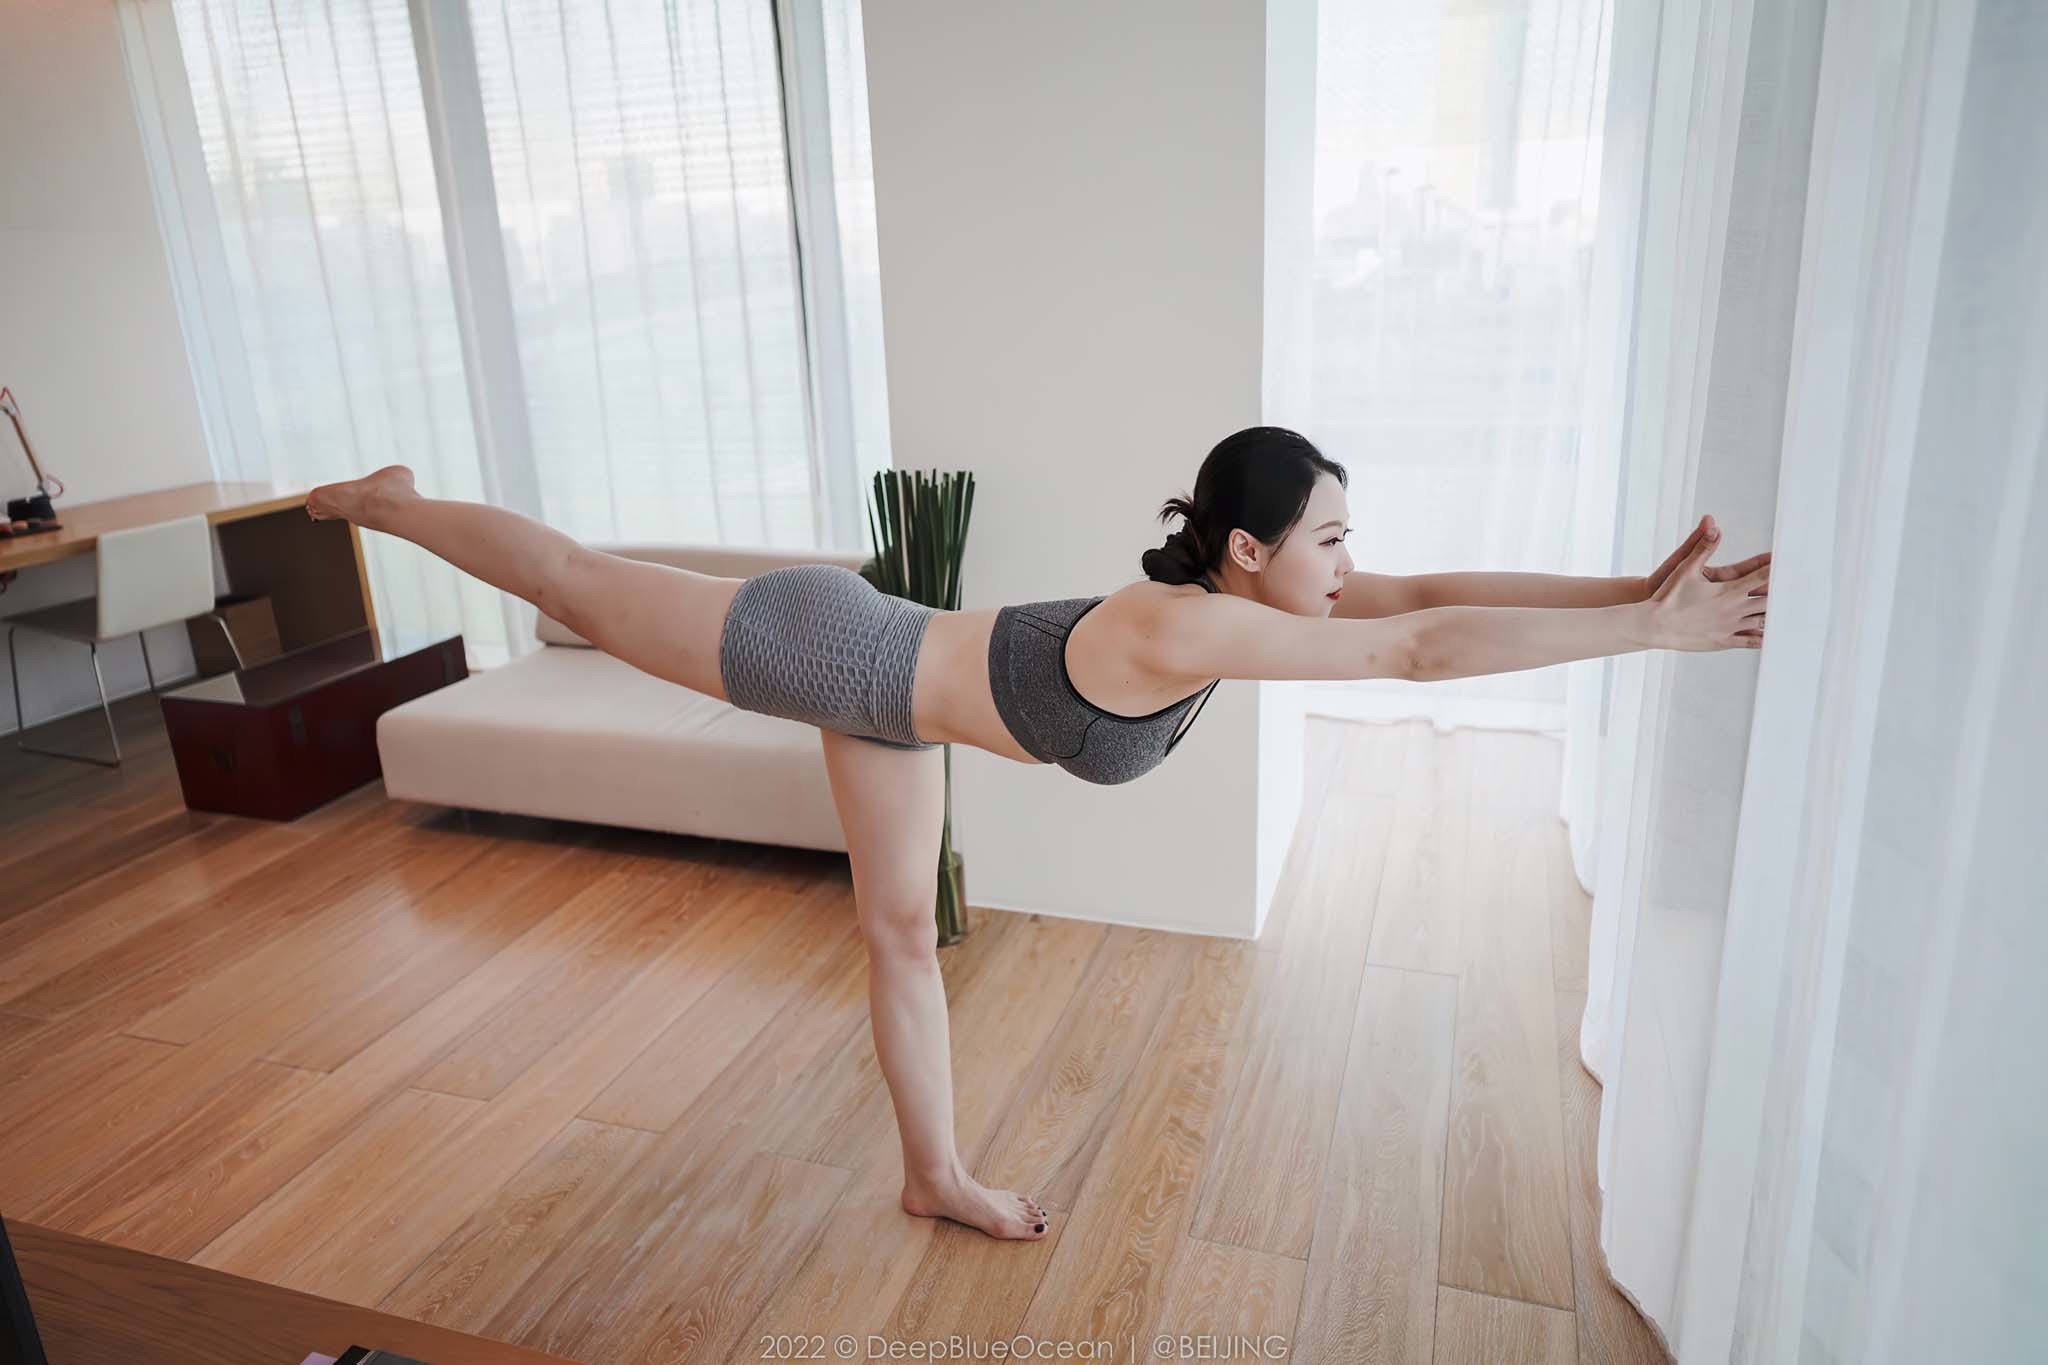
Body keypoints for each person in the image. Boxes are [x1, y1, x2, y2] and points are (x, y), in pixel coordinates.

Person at [305, 424, 1768, 1243]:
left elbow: (1426, 598)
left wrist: (1623, 590)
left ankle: (930, 1172)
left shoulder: (1257, 600)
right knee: (580, 574)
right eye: (1329, 537)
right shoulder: (1183, 622)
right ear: (1248, 549)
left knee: (894, 935)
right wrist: (1646, 636)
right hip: (828, 647)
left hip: (899, 694)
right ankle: (401, 503)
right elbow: (1417, 656)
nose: (1350, 567)